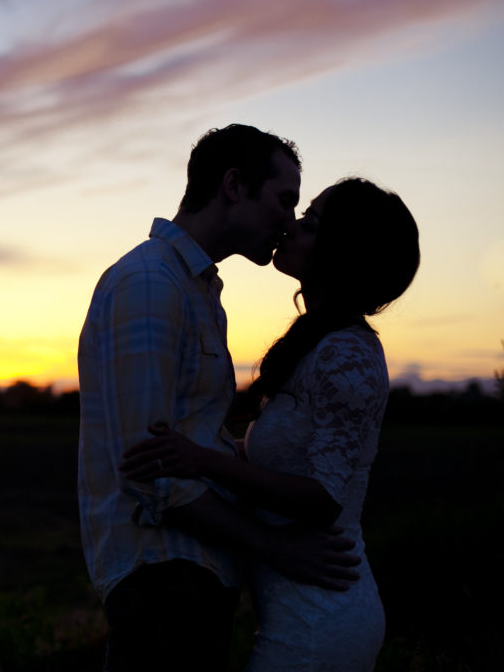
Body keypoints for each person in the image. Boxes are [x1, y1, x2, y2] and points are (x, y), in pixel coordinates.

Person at [78, 124, 361, 672]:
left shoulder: (198, 291)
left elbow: (187, 437)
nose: (289, 219)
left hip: (194, 578)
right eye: (284, 199)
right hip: (162, 576)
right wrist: (276, 548)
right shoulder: (150, 283)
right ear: (234, 186)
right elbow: (149, 469)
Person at [120, 177, 420, 670]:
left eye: (311, 222)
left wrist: (202, 462)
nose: (291, 225)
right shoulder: (322, 343)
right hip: (301, 609)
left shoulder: (347, 353)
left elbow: (324, 497)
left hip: (321, 618)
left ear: (343, 251)